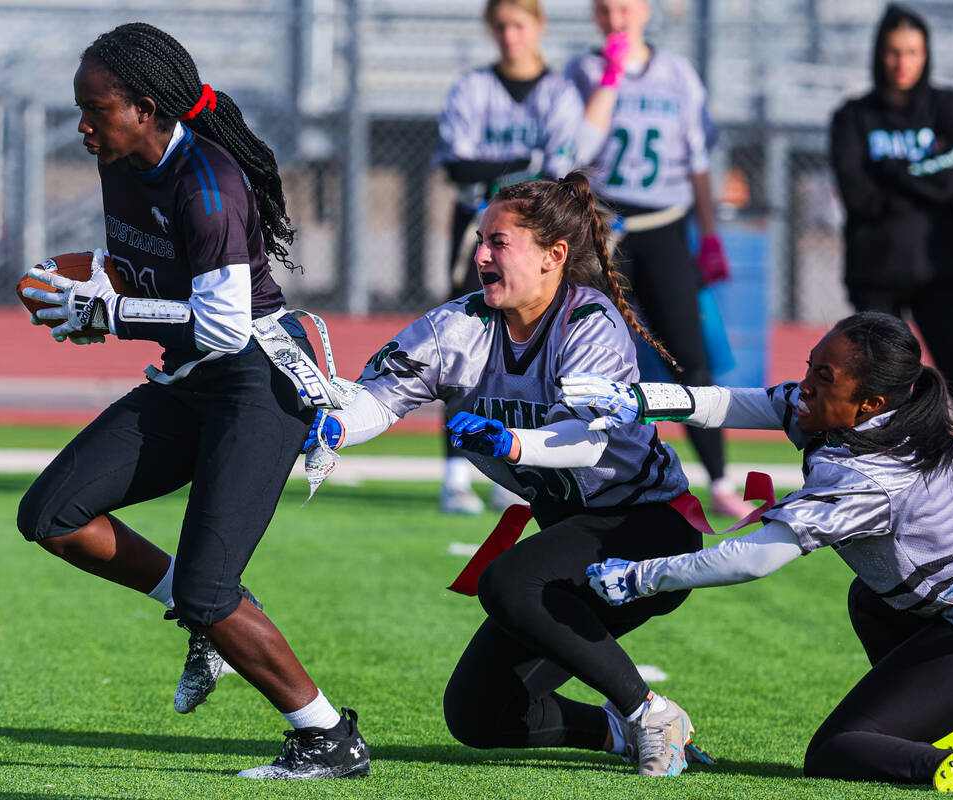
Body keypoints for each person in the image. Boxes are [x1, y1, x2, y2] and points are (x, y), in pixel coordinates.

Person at [15, 23, 369, 780]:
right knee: (51, 516)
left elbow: (225, 323)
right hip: (193, 372)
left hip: (258, 378)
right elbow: (144, 264)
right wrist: (93, 286)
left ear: (145, 107)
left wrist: (105, 316)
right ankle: (211, 608)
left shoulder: (208, 182)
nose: (81, 125)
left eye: (94, 109)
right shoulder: (123, 159)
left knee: (211, 592)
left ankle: (328, 737)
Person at [561, 311, 953, 792]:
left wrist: (642, 577)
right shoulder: (863, 415)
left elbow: (754, 558)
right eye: (810, 367)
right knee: (868, 597)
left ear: (870, 403)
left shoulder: (871, 476)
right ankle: (928, 725)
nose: (803, 389)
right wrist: (640, 400)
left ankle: (944, 768)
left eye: (824, 378)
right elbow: (734, 402)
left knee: (836, 751)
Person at [305, 172, 706, 776]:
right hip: (570, 538)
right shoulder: (457, 328)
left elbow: (585, 442)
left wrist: (513, 443)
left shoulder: (588, 323)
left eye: (499, 241)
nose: (481, 254)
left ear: (554, 256)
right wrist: (337, 425)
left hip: (646, 529)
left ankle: (650, 713)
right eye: (480, 239)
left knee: (509, 582)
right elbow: (379, 398)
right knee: (478, 714)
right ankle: (613, 734)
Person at [564, 0, 752, 518]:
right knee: (592, 353)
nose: (615, 18)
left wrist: (709, 235)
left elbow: (697, 162)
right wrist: (609, 76)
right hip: (604, 229)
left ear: (646, 10)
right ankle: (585, 472)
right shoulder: (581, 73)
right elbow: (572, 149)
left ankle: (719, 479)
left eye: (624, 7)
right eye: (603, 10)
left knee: (689, 356)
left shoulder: (677, 75)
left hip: (665, 226)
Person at [433, 0, 584, 515]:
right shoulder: (472, 87)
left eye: (519, 24)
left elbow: (559, 173)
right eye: (500, 25)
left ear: (538, 26)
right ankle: (455, 471)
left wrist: (499, 168)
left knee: (531, 341)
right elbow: (458, 165)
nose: (509, 35)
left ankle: (514, 461)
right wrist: (524, 162)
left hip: (533, 235)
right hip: (477, 224)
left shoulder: (561, 91)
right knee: (464, 340)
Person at [830, 4, 953, 460]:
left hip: (937, 269)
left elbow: (951, 182)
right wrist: (918, 181)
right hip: (874, 269)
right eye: (894, 52)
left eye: (913, 52)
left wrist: (891, 172)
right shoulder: (853, 116)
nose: (902, 63)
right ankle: (874, 462)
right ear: (880, 54)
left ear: (926, 55)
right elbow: (857, 196)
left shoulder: (948, 107)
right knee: (876, 379)